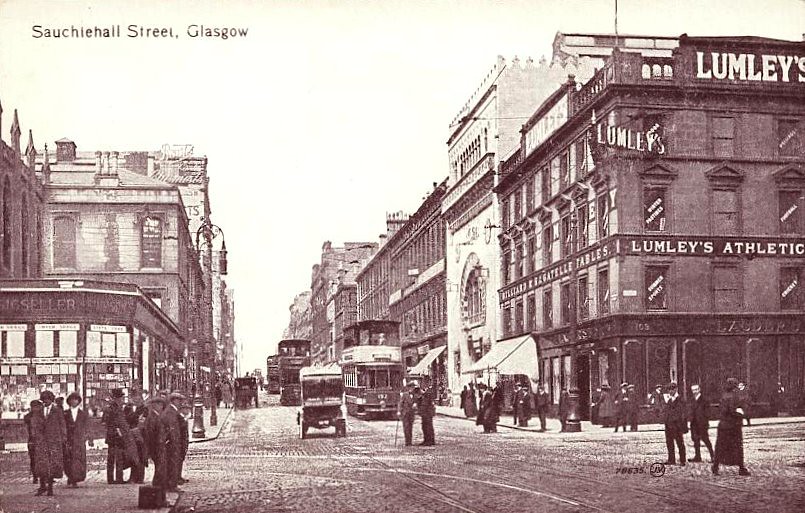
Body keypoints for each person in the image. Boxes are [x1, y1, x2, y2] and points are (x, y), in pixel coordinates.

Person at [31, 390, 66, 496]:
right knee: (41, 464)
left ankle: (50, 487)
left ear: (51, 400)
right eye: (44, 400)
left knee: (52, 465)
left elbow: (62, 425)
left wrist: (63, 437)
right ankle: (42, 486)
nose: (46, 401)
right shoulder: (39, 411)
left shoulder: (57, 411)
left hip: (54, 441)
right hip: (41, 442)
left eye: (47, 399)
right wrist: (34, 437)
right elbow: (34, 425)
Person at [713, 378, 750, 476]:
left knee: (720, 447)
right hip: (733, 426)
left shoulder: (724, 396)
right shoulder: (734, 396)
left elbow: (722, 410)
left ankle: (715, 466)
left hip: (723, 425)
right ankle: (741, 468)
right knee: (738, 446)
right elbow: (732, 410)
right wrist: (741, 413)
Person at [102, 388, 129, 484]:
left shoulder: (118, 408)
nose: (122, 400)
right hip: (114, 435)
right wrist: (117, 429)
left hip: (117, 436)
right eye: (121, 398)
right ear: (117, 398)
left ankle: (118, 478)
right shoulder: (111, 408)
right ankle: (112, 478)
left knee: (118, 457)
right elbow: (106, 422)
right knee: (113, 458)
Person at [143, 395, 168, 493]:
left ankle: (159, 494)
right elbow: (151, 434)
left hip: (158, 447)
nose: (161, 406)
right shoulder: (152, 417)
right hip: (156, 448)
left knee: (160, 470)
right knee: (160, 470)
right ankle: (157, 493)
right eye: (159, 404)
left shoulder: (156, 416)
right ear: (154, 405)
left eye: (162, 404)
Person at [64, 392, 89, 487]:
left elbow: (86, 426)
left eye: (76, 399)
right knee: (68, 459)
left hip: (79, 440)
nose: (74, 401)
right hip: (69, 439)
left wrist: (87, 437)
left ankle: (76, 478)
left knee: (78, 459)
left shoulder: (83, 414)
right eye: (72, 399)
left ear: (79, 401)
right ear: (69, 401)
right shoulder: (65, 413)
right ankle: (70, 477)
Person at [161, 392, 185, 491]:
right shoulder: (170, 412)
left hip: (173, 442)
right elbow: (172, 429)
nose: (181, 403)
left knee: (172, 463)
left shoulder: (172, 411)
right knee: (171, 464)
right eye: (179, 401)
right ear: (174, 400)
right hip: (171, 443)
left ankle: (172, 484)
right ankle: (171, 485)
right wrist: (175, 442)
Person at [662, 382, 687, 466]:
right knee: (669, 443)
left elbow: (681, 413)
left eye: (671, 389)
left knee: (680, 442)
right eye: (669, 390)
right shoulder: (669, 400)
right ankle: (671, 459)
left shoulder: (680, 399)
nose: (670, 391)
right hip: (668, 425)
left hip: (676, 425)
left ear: (675, 389)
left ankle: (682, 460)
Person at [688, 384, 714, 463]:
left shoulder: (704, 399)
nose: (694, 392)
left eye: (696, 390)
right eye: (693, 390)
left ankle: (713, 456)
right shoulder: (692, 399)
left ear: (699, 389)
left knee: (705, 439)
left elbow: (708, 412)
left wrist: (705, 420)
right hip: (694, 423)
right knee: (695, 440)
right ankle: (697, 456)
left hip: (702, 423)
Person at [24, 400, 43, 484]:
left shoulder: (43, 415)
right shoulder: (28, 417)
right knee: (33, 458)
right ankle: (35, 476)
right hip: (32, 439)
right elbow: (27, 429)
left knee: (42, 458)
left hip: (42, 440)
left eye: (37, 407)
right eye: (34, 407)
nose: (35, 408)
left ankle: (43, 475)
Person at [397, 381, 417, 446]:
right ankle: (407, 442)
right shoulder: (405, 395)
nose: (412, 388)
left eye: (413, 387)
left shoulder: (415, 395)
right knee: (406, 427)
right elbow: (400, 403)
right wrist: (399, 411)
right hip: (405, 413)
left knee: (410, 427)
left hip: (411, 413)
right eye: (411, 387)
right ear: (409, 388)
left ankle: (410, 441)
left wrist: (416, 404)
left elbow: (418, 402)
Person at [178, 402, 191, 484]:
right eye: (186, 409)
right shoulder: (180, 418)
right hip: (179, 442)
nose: (188, 410)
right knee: (178, 460)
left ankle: (179, 476)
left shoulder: (183, 418)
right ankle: (177, 477)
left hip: (183, 442)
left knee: (181, 459)